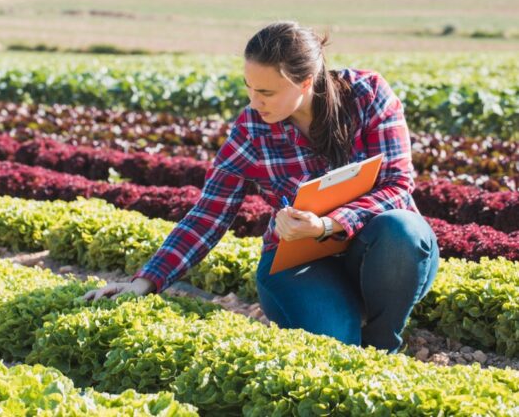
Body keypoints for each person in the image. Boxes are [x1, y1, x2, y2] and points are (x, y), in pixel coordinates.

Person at [83, 20, 440, 354]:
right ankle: (340, 316)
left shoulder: (367, 95)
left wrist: (327, 224)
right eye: (249, 88)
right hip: (299, 263)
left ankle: (382, 344)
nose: (254, 102)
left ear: (305, 82)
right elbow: (208, 214)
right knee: (336, 344)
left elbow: (397, 185)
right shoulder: (252, 130)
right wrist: (144, 282)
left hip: (381, 252)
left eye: (266, 92)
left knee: (402, 229)